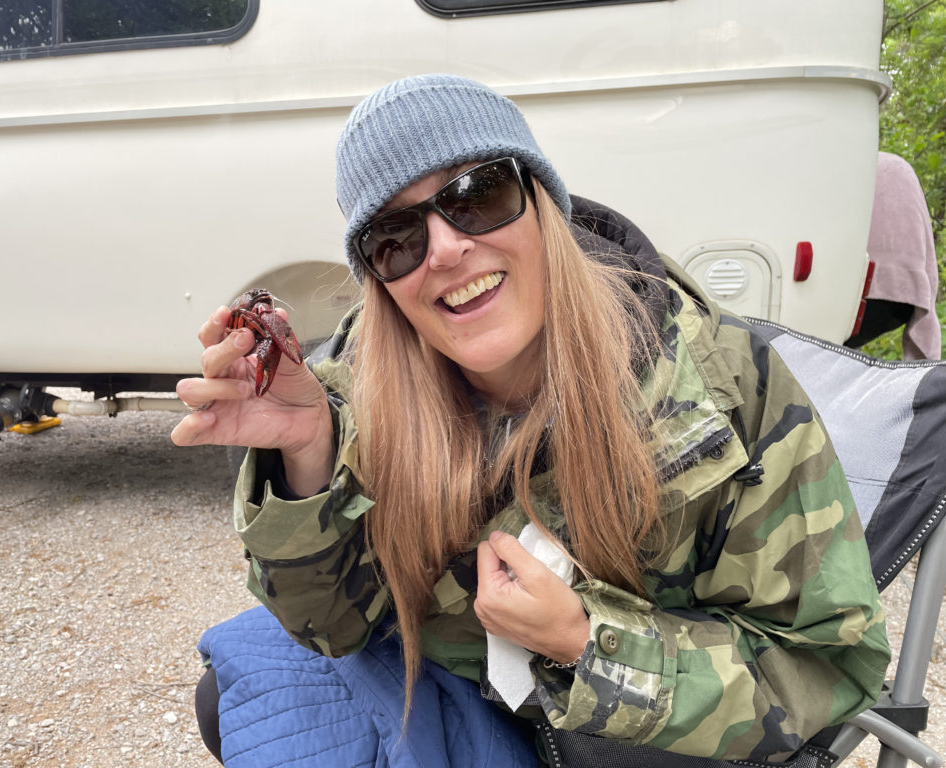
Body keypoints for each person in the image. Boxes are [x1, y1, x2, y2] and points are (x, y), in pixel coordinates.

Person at [171, 74, 890, 767]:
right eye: (396, 238)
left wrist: (587, 641)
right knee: (230, 694)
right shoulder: (367, 373)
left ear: (542, 198)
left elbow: (826, 667)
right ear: (380, 277)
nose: (447, 249)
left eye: (477, 196)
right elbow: (331, 628)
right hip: (464, 702)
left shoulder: (723, 383)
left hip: (619, 739)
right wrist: (308, 452)